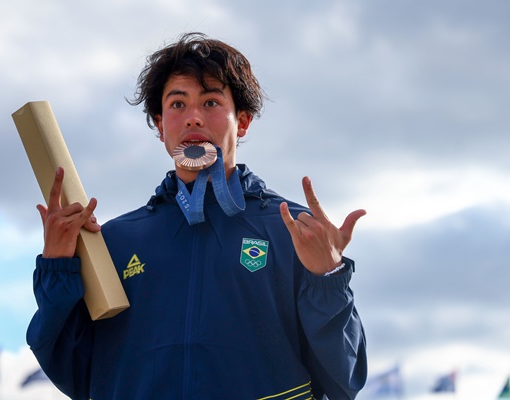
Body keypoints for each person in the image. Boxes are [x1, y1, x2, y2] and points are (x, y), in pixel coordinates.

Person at [27, 32, 367, 400]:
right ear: (159, 126)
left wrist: (328, 278)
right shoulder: (116, 241)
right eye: (177, 104)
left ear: (243, 122)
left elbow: (343, 381)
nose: (192, 118)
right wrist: (58, 267)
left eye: (210, 102)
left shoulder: (294, 230)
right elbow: (77, 374)